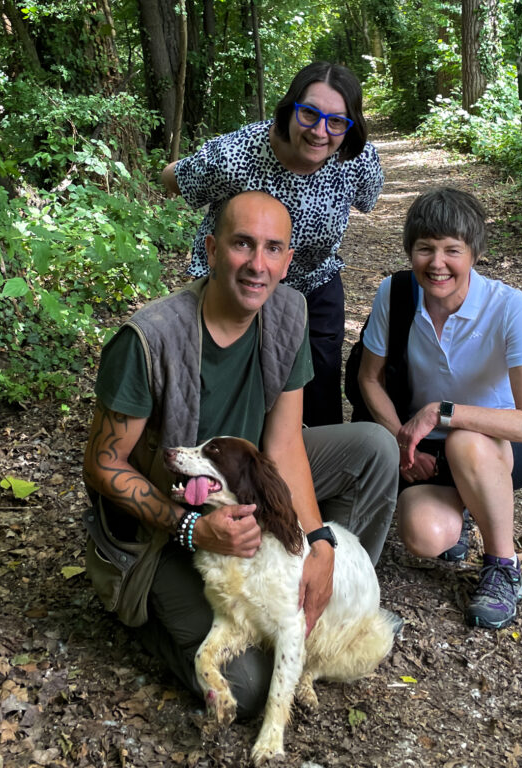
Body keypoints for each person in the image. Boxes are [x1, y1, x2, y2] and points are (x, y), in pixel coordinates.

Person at [83, 190, 398, 716]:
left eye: (273, 248)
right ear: (210, 249)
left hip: (245, 477)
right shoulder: (150, 339)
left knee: (374, 448)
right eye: (242, 245)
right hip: (167, 521)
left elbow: (284, 444)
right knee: (249, 688)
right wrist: (192, 529)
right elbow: (102, 463)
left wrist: (319, 544)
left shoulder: (288, 313)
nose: (258, 265)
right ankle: (145, 615)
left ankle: (319, 606)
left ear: (288, 260)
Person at [356, 188, 522, 630]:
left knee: (467, 442)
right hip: (428, 447)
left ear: (474, 253)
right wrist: (399, 440)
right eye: (425, 248)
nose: (437, 263)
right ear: (410, 250)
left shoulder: (509, 307)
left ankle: (503, 566)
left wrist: (440, 412)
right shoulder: (395, 295)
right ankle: (469, 504)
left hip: (502, 439)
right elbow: (368, 379)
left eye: (453, 250)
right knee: (425, 536)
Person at [161, 61, 384, 428]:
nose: (320, 131)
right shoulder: (238, 156)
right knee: (235, 386)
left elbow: (368, 199)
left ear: (350, 126)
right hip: (236, 281)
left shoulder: (357, 160)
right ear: (290, 109)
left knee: (318, 384)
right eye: (309, 114)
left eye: (336, 122)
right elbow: (174, 179)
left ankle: (316, 471)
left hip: (313, 280)